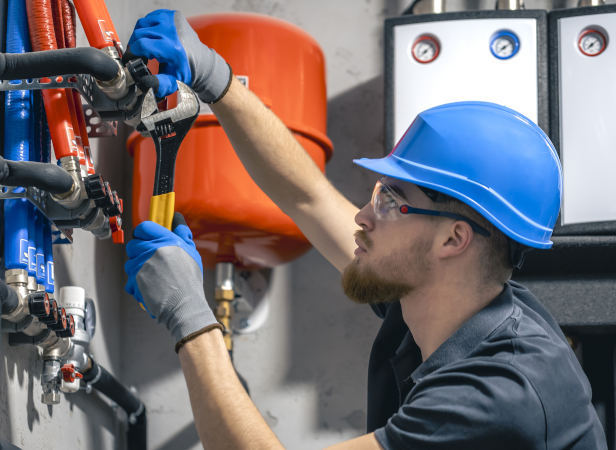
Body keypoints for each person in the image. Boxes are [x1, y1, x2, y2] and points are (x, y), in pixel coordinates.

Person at [123, 9, 607, 450]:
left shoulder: (501, 393)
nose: (363, 215)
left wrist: (189, 316)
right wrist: (215, 76)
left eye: (392, 201)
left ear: (453, 240)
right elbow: (308, 196)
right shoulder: (450, 297)